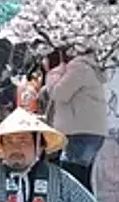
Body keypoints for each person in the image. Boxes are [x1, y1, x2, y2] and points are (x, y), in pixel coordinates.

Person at [42, 47, 107, 190]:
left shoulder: (79, 67)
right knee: (82, 180)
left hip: (79, 132)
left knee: (71, 180)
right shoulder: (90, 67)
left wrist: (52, 73)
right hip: (90, 132)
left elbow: (59, 93)